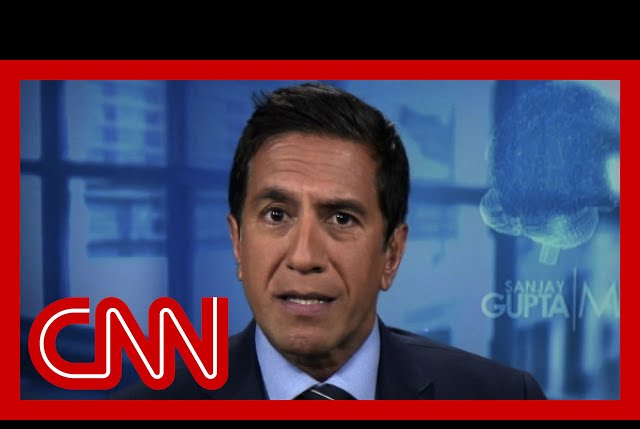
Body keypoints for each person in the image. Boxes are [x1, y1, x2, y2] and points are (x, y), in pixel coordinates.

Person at [110, 82, 547, 400]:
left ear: (392, 254)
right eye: (276, 215)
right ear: (238, 243)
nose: (304, 257)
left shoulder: (505, 400)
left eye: (341, 218)